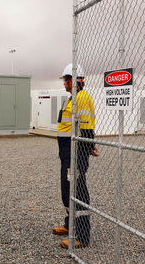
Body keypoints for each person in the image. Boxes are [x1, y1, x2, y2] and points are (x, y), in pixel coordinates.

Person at [53, 63, 95, 249]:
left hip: (75, 153)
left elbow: (86, 127)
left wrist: (87, 147)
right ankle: (70, 226)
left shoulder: (82, 98)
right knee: (67, 190)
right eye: (64, 80)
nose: (64, 83)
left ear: (75, 79)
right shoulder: (72, 99)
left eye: (67, 80)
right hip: (67, 153)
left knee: (78, 191)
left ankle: (83, 236)